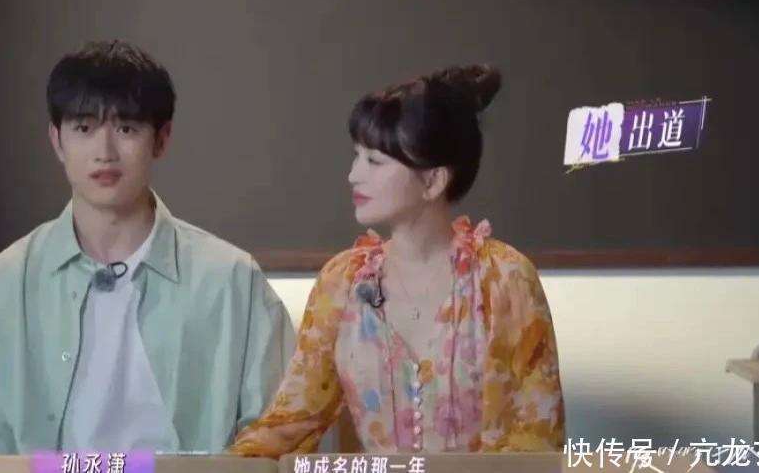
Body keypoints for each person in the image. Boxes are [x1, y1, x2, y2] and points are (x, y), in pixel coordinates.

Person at [0, 40, 294, 453]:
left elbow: (281, 433)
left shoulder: (233, 281)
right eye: (84, 129)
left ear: (161, 139)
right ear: (57, 140)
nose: (104, 153)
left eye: (126, 129)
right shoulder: (3, 283)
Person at [230, 64, 564, 457]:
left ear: (433, 181)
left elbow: (539, 437)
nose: (353, 175)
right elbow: (291, 423)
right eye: (356, 156)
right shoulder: (343, 282)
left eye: (374, 161)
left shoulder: (504, 278)